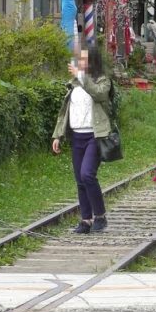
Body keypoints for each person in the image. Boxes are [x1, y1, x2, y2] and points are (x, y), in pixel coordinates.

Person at [51, 46, 114, 234]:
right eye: (80, 59)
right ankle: (86, 219)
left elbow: (99, 93)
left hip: (95, 135)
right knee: (80, 179)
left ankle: (100, 216)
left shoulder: (102, 80)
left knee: (88, 174)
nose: (81, 62)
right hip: (77, 135)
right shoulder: (74, 84)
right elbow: (64, 113)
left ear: (93, 61)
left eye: (85, 59)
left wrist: (81, 75)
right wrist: (57, 135)